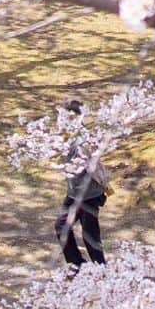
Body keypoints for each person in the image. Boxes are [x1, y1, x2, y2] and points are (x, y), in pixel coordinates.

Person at [54, 98, 108, 270]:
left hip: (87, 194)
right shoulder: (70, 138)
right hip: (74, 193)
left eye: (62, 116)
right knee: (63, 226)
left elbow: (94, 166)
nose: (59, 120)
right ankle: (77, 264)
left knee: (89, 234)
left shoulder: (82, 140)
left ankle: (100, 269)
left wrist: (103, 187)